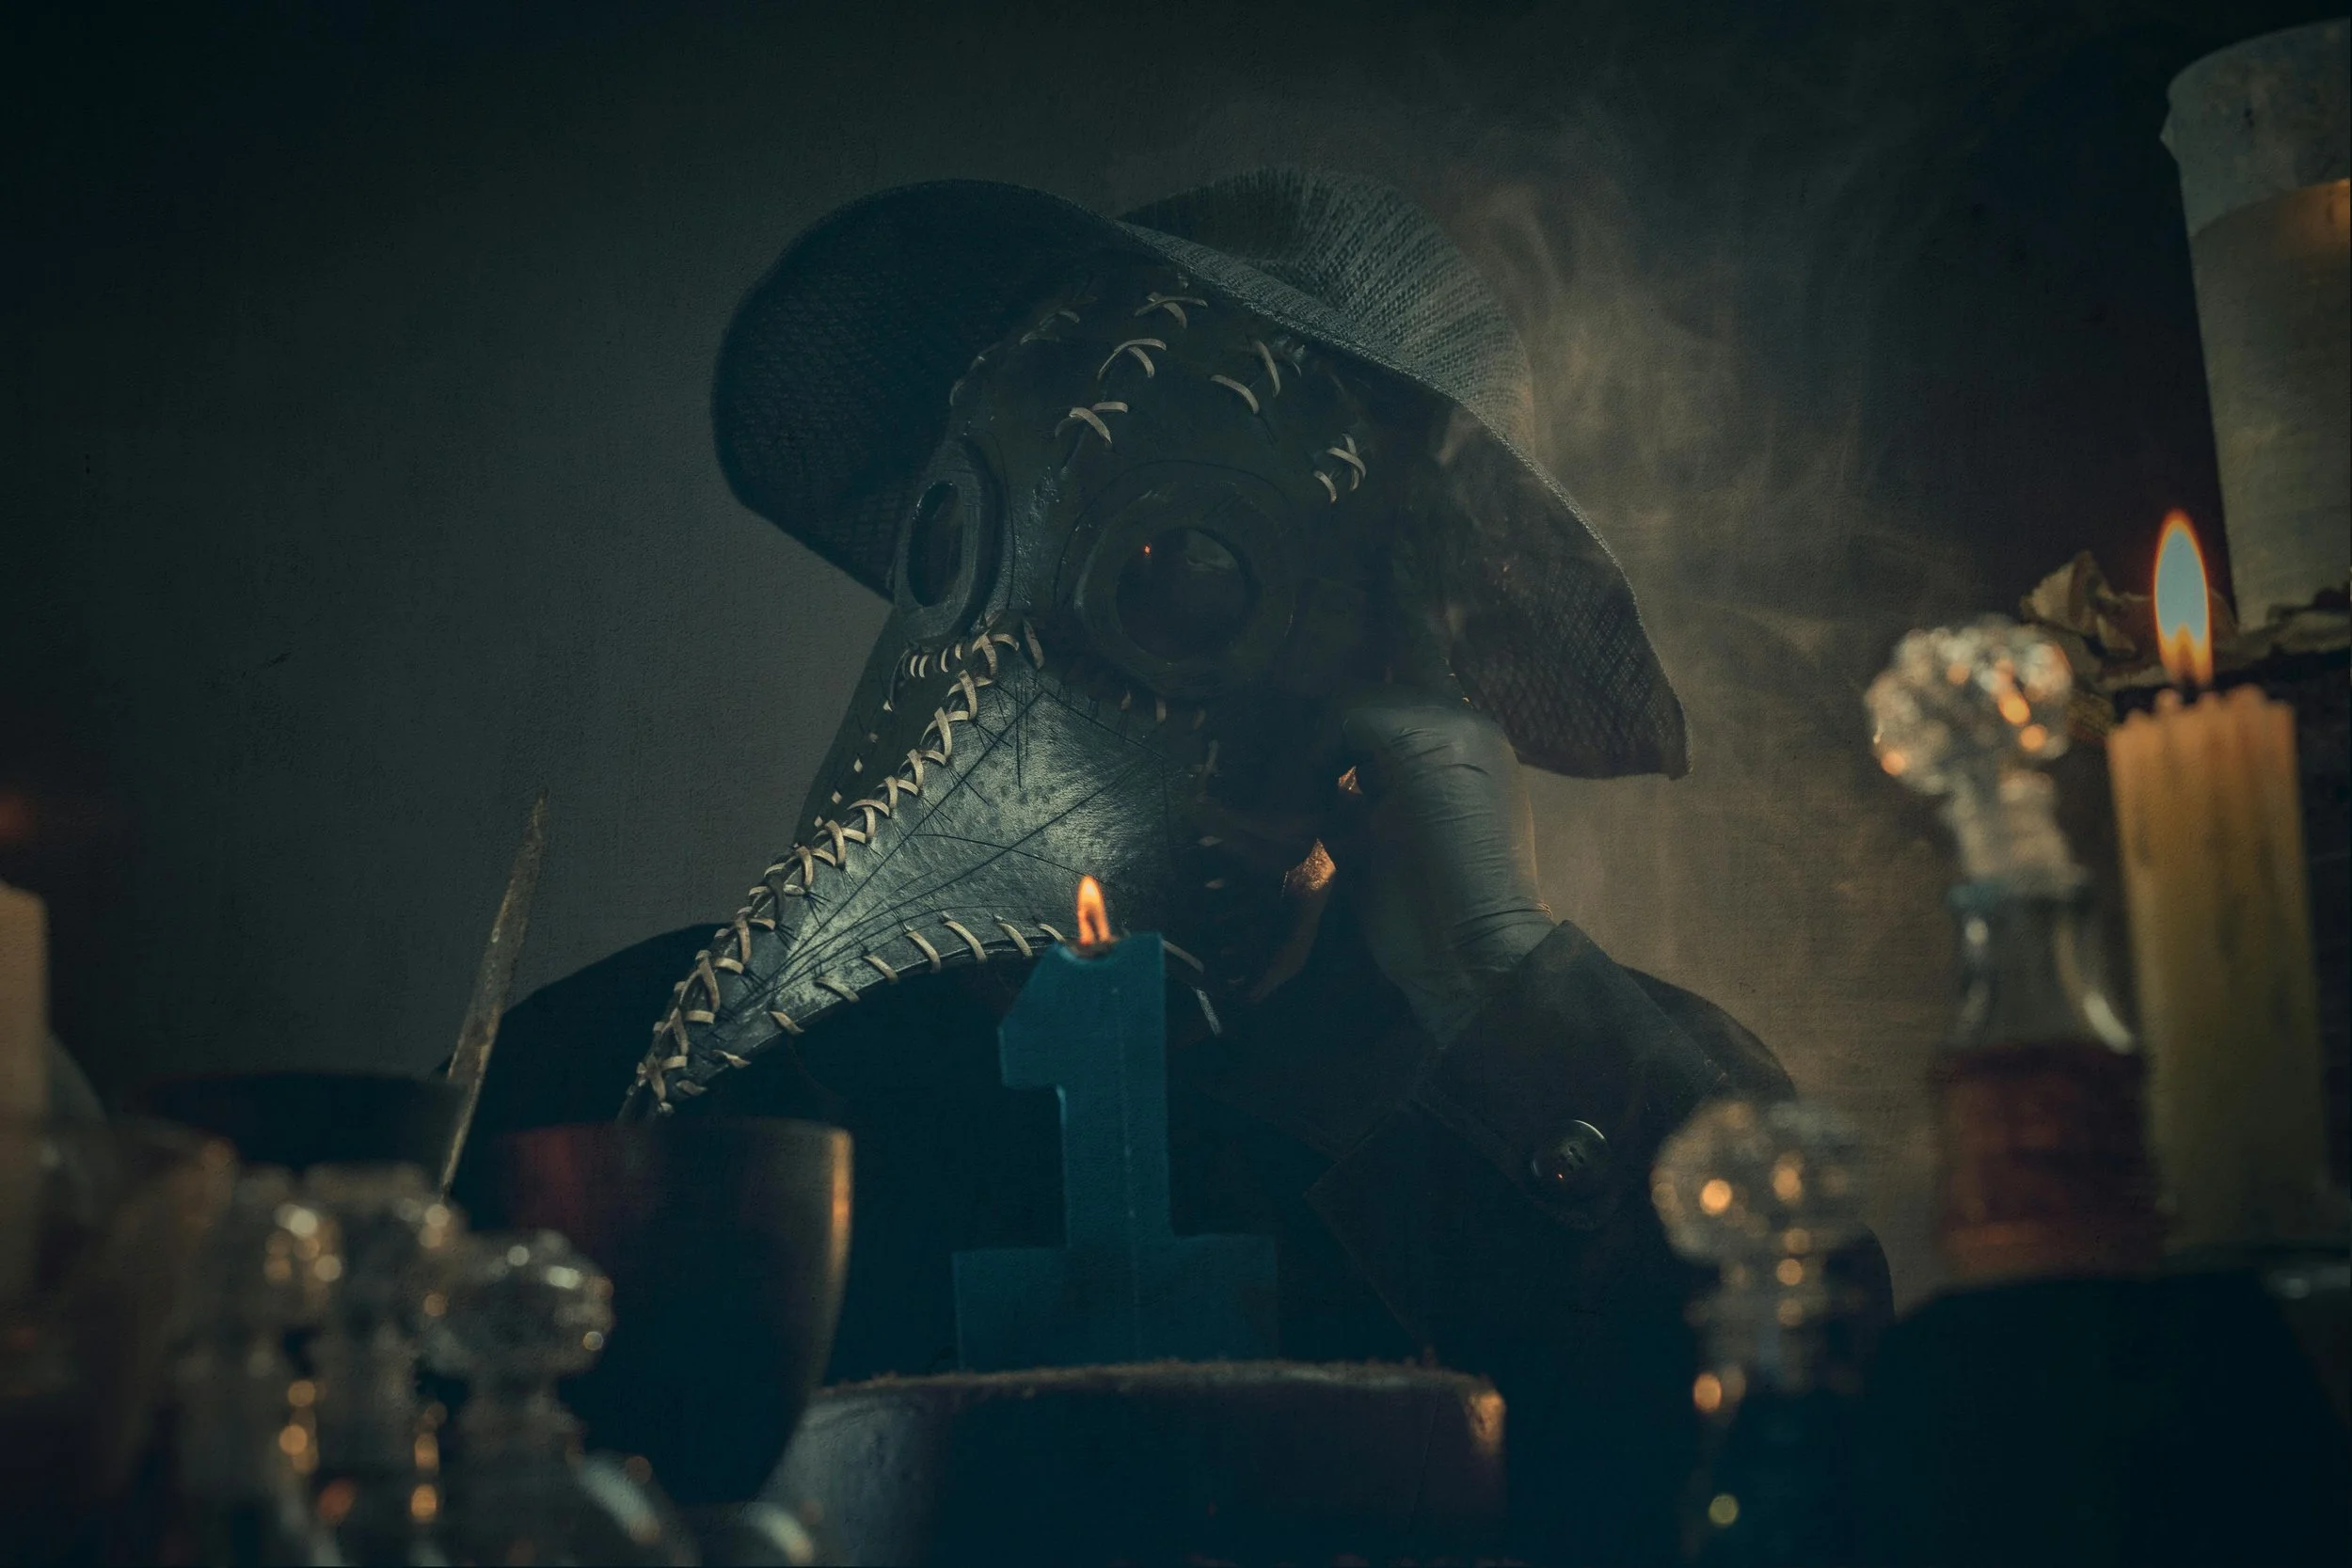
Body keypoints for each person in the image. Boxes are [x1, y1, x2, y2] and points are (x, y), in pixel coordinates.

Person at [467, 169, 1877, 1562]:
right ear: (949, 540)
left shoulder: (1658, 1127)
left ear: (1425, 667)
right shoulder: (608, 1112)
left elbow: (1837, 1497)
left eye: (1209, 568)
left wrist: (1504, 998)